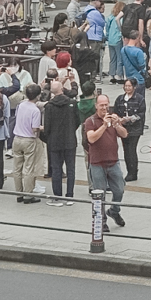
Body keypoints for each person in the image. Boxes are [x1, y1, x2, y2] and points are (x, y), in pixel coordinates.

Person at [83, 93, 128, 230]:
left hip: (113, 161)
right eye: (101, 105)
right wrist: (104, 125)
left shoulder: (114, 118)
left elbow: (124, 134)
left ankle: (114, 211)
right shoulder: (90, 121)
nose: (104, 107)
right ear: (96, 106)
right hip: (97, 163)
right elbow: (91, 139)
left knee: (119, 190)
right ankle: (101, 220)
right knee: (99, 193)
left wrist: (116, 125)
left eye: (106, 104)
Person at [43, 79, 80, 204]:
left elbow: (46, 127)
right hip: (70, 140)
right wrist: (70, 130)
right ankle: (70, 195)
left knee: (56, 169)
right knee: (71, 168)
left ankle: (57, 196)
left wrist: (48, 136)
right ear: (62, 88)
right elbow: (77, 120)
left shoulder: (49, 106)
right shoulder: (72, 103)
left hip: (54, 142)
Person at [10, 83, 45, 203]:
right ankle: (28, 194)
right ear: (38, 96)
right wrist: (42, 127)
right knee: (28, 167)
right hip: (29, 140)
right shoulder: (35, 110)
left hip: (17, 138)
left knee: (17, 167)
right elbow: (35, 128)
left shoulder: (21, 105)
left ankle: (18, 193)